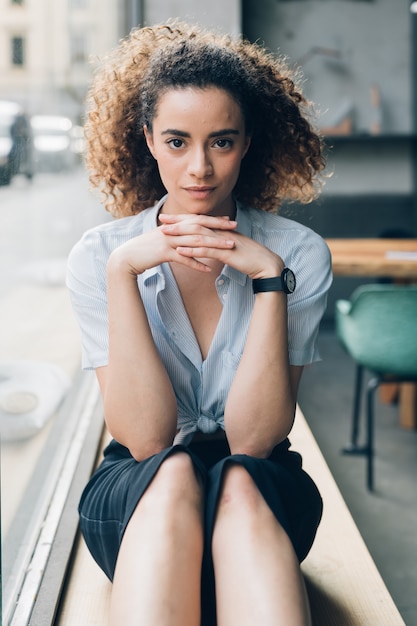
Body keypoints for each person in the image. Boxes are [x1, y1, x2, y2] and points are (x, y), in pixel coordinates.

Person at [67, 20, 332, 626]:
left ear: (247, 143)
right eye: (178, 141)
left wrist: (269, 281)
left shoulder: (297, 254)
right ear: (148, 141)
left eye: (222, 142)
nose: (200, 170)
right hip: (138, 487)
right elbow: (147, 440)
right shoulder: (100, 256)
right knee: (174, 470)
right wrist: (121, 277)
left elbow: (254, 440)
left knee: (238, 478)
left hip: (261, 482)